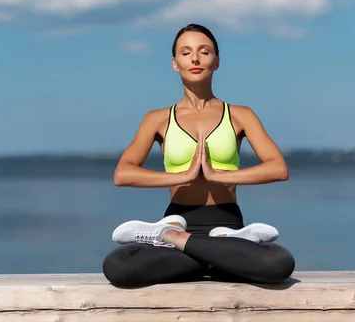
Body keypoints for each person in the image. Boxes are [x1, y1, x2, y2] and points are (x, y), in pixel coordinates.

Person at [102, 23, 295, 287]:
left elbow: (277, 168)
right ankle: (205, 250)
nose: (195, 58)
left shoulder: (240, 115)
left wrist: (218, 175)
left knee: (279, 263)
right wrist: (183, 175)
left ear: (216, 62)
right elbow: (123, 174)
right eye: (185, 52)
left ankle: (186, 243)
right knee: (118, 266)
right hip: (179, 220)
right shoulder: (157, 119)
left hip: (227, 223)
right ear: (174, 63)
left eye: (204, 51)